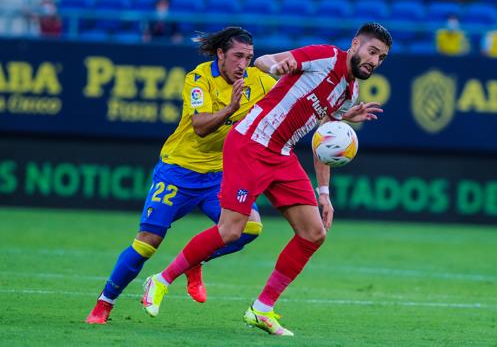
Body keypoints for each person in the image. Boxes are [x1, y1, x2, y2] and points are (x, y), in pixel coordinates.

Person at [141, 22, 391, 336]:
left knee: (314, 233)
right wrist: (279, 65)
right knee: (231, 230)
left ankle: (262, 309)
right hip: (250, 144)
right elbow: (263, 62)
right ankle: (161, 280)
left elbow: (323, 140)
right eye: (372, 51)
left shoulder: (350, 92)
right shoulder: (325, 56)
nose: (375, 61)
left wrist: (324, 193)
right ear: (355, 44)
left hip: (281, 154)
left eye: (381, 57)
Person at [86, 26, 276, 324]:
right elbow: (200, 127)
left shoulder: (259, 81)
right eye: (238, 56)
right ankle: (103, 304)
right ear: (221, 54)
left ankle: (194, 262)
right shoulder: (198, 78)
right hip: (178, 170)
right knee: (148, 241)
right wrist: (231, 108)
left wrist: (339, 114)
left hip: (219, 175)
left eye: (249, 57)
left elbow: (295, 100)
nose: (244, 64)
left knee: (250, 229)